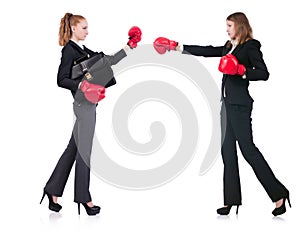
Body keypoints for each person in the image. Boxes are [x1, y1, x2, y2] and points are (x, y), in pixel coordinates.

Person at [153, 12, 290, 216]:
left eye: (229, 25)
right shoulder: (229, 46)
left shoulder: (251, 46)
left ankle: (279, 194)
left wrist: (241, 69)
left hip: (240, 106)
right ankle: (231, 200)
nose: (226, 29)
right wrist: (177, 46)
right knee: (227, 152)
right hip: (226, 105)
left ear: (240, 26)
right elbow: (208, 51)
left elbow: (263, 73)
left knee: (248, 151)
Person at [40, 13, 141, 216]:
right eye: (84, 28)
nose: (87, 31)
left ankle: (52, 191)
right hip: (83, 105)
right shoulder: (69, 50)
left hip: (89, 105)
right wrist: (82, 86)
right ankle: (84, 198)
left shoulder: (83, 51)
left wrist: (129, 46)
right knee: (84, 152)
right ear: (74, 28)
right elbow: (61, 79)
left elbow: (108, 61)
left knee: (73, 150)